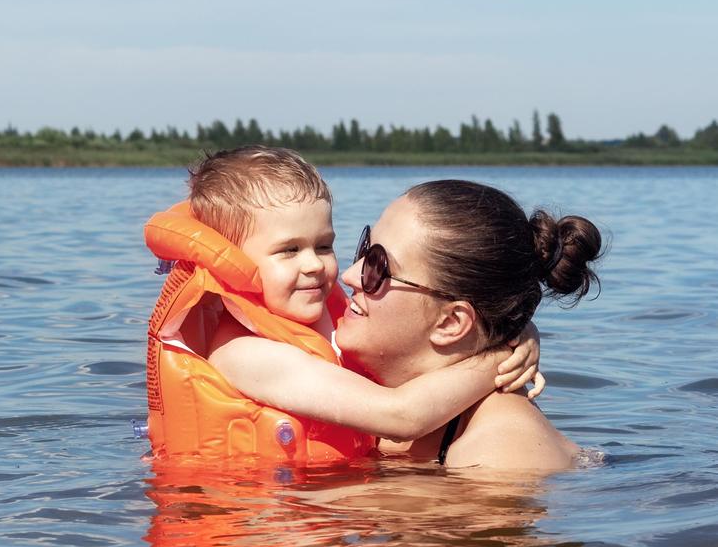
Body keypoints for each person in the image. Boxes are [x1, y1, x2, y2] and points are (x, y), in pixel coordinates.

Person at [145, 148, 540, 462]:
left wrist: (518, 328)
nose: (315, 265)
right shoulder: (244, 353)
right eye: (288, 251)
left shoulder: (324, 320)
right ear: (235, 262)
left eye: (324, 245)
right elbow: (402, 416)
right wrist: (499, 357)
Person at [211, 178, 602, 471]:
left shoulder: (500, 453)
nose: (348, 275)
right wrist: (508, 344)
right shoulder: (338, 377)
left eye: (378, 268)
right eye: (364, 249)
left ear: (450, 322)